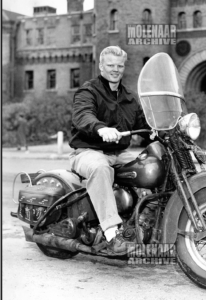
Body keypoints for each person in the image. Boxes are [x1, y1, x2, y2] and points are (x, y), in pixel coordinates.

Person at [69, 46, 150, 254]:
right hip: (88, 151)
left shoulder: (129, 98)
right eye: (111, 65)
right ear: (101, 66)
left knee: (151, 166)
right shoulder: (88, 91)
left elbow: (144, 124)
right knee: (100, 168)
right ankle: (112, 233)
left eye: (120, 65)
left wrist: (160, 130)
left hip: (119, 153)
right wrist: (100, 128)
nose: (116, 69)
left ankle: (145, 219)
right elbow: (83, 116)